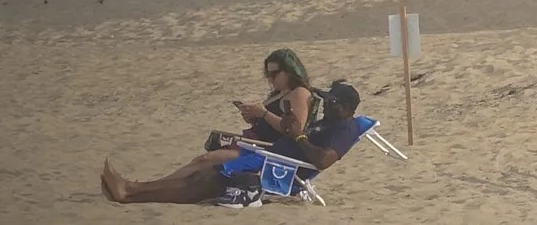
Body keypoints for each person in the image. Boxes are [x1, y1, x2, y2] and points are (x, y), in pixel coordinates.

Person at [99, 62, 363, 205]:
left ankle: (131, 195)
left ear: (346, 108)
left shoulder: (343, 129)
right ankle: (133, 189)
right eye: (327, 100)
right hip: (269, 156)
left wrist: (299, 136)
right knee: (203, 175)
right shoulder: (330, 122)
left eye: (332, 102)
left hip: (277, 168)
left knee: (204, 184)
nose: (326, 103)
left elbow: (322, 160)